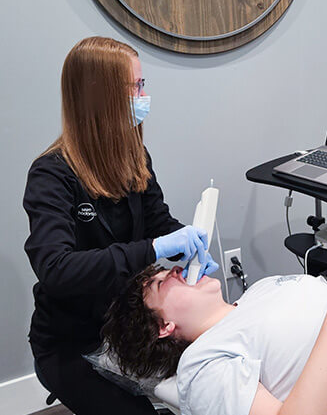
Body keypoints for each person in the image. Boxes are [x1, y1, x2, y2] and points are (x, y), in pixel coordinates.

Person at [23, 36, 218, 415]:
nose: (143, 96)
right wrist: (154, 250)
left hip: (130, 328)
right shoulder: (51, 175)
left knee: (210, 382)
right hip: (72, 341)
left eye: (143, 85)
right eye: (136, 87)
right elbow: (57, 270)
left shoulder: (134, 156)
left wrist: (186, 245)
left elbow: (158, 222)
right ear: (102, 96)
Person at [102, 264, 327, 415]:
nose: (177, 270)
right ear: (163, 327)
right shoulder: (201, 364)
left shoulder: (263, 287)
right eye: (163, 282)